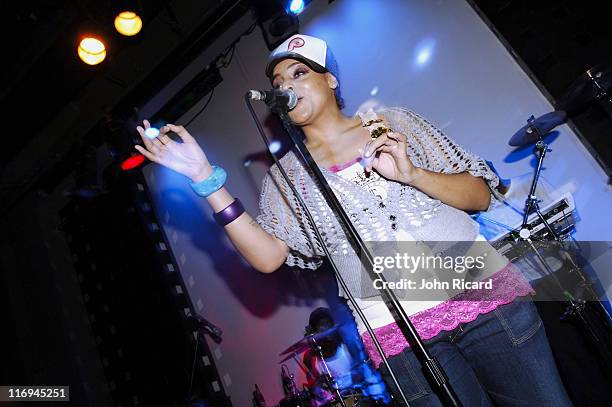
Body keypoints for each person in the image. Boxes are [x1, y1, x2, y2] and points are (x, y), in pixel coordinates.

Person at [134, 34, 572, 406]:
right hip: (400, 339)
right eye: (278, 81)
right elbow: (268, 258)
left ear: (330, 79)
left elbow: (478, 196)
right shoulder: (286, 179)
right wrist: (205, 179)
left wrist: (414, 174)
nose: (285, 84)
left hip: (486, 302)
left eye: (299, 73)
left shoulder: (394, 123)